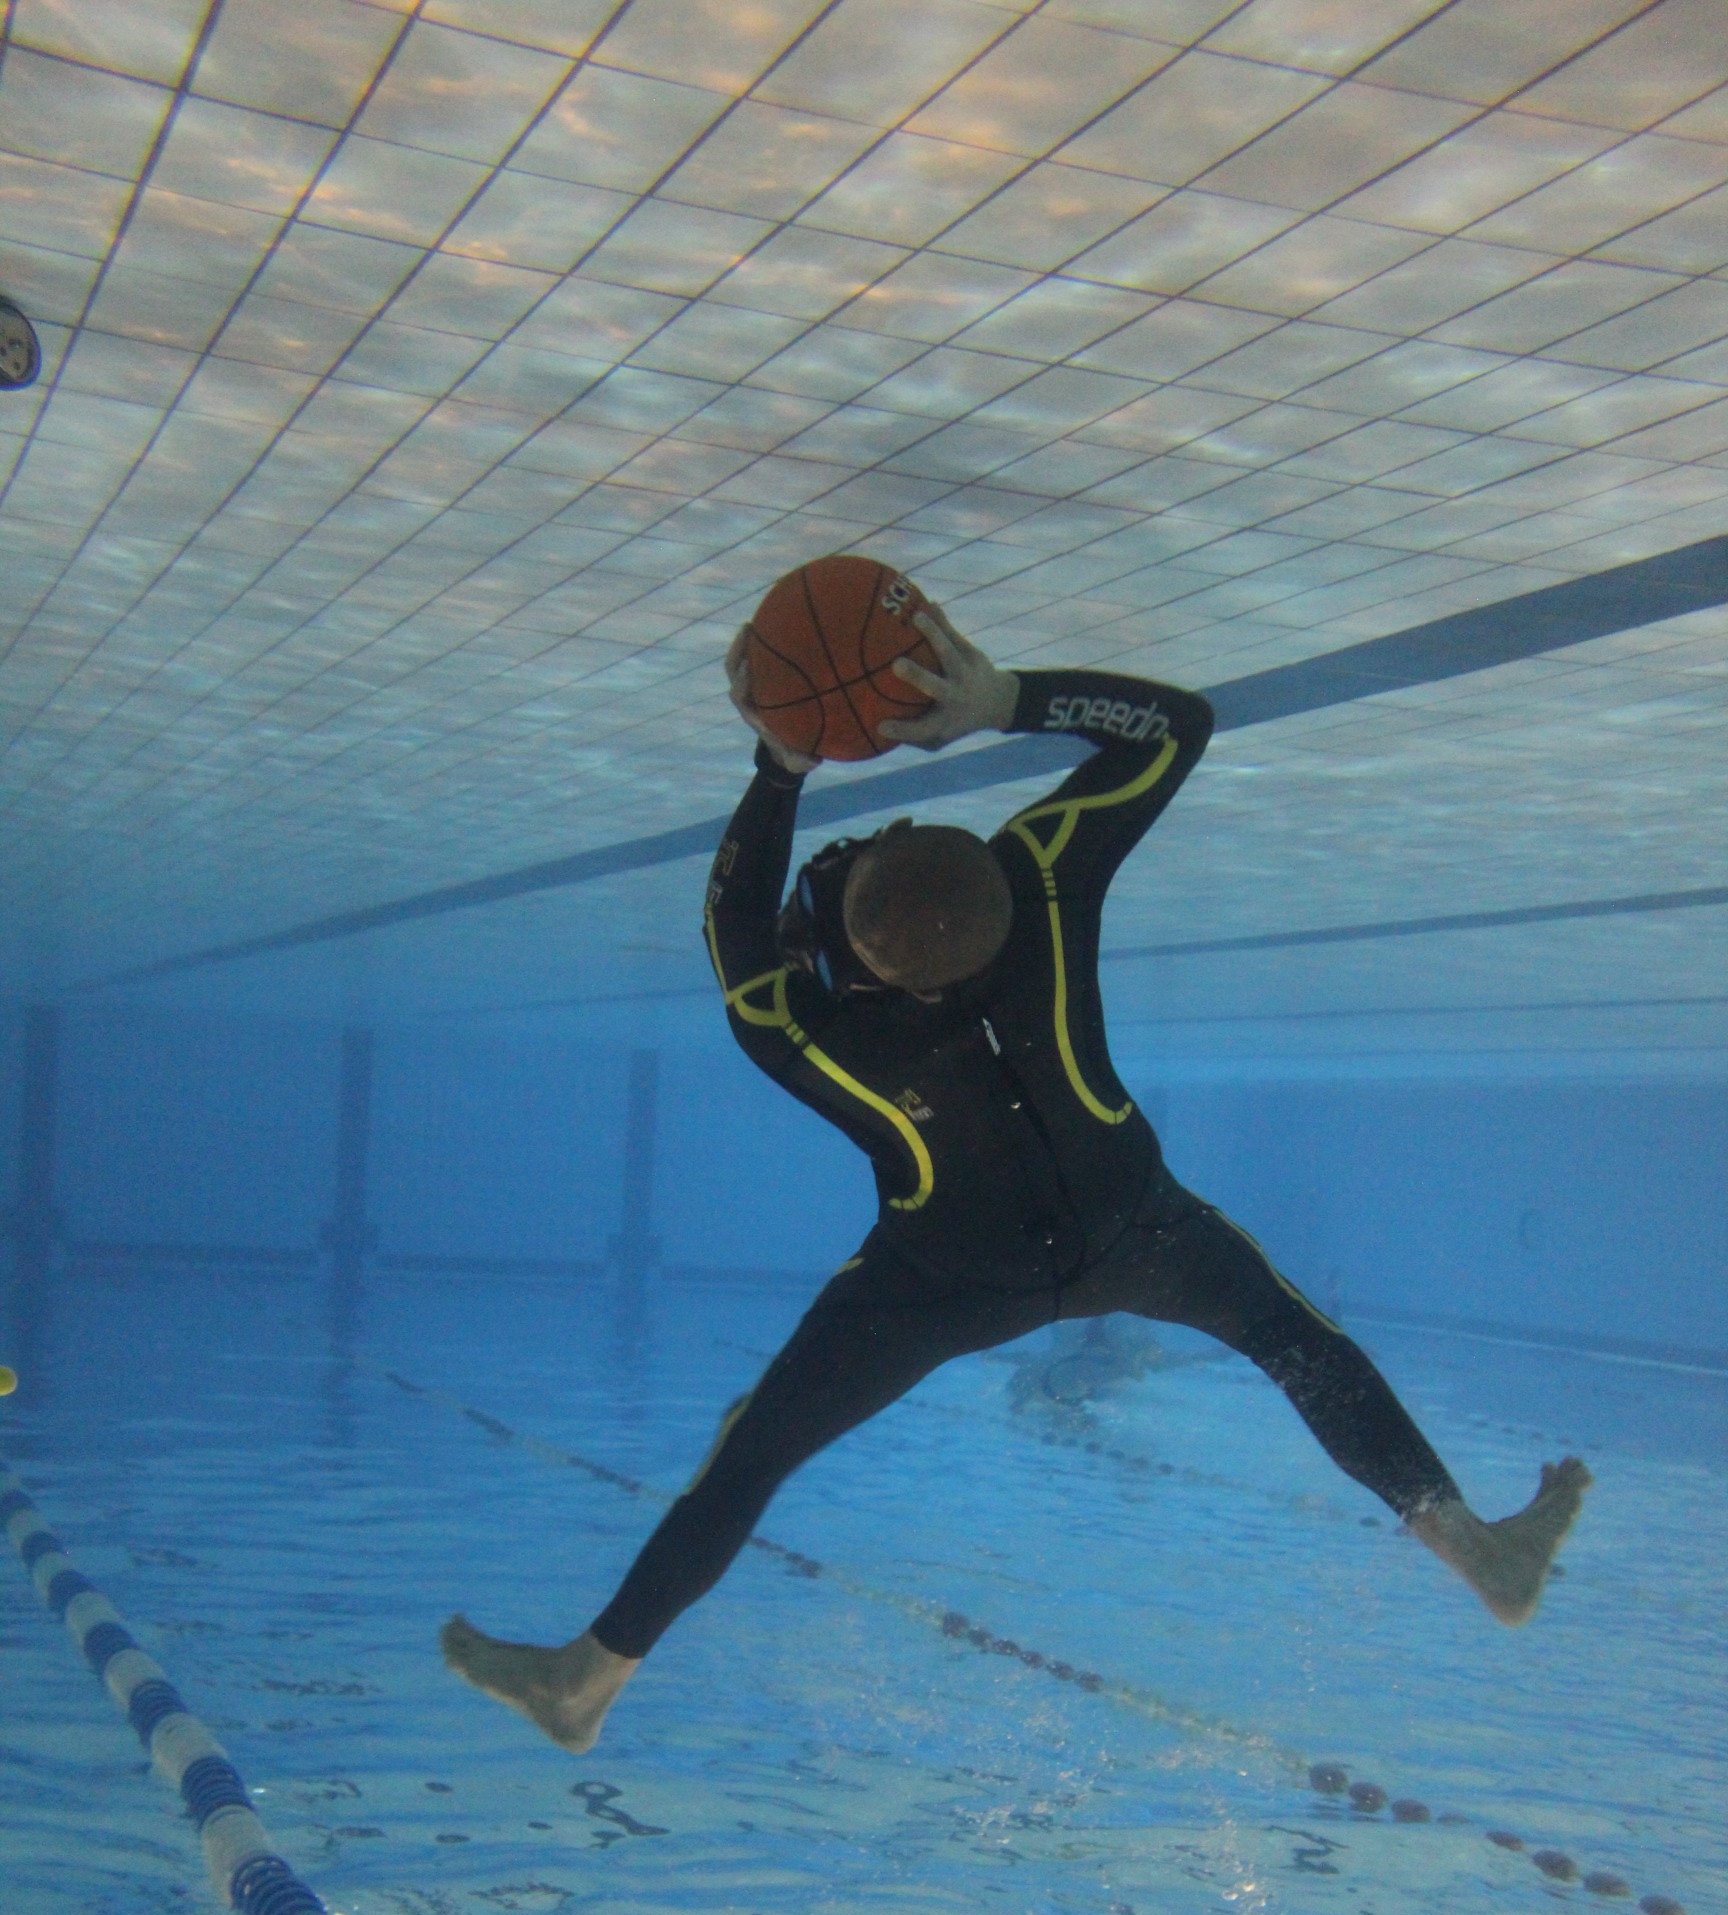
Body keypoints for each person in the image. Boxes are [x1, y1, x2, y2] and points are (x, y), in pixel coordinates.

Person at [444, 607, 1590, 1751]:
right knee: (1297, 1341)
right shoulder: (1038, 876)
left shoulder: (803, 1030)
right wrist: (1003, 701)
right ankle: (1470, 1547)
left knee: (753, 1454)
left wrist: (780, 765)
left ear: (856, 967)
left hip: (944, 1275)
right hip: (1136, 1225)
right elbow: (1176, 728)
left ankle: (586, 1682)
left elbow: (734, 923)